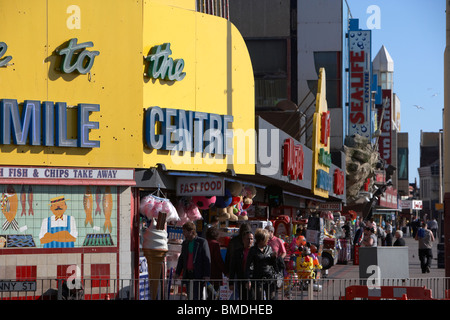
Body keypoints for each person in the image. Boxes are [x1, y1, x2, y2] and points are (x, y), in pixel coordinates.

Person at [175, 222, 211, 299]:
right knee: (190, 295)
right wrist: (177, 272)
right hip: (188, 274)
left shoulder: (202, 242)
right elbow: (181, 259)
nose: (183, 233)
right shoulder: (185, 243)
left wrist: (206, 275)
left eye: (185, 231)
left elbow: (206, 259)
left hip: (198, 274)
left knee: (197, 296)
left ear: (191, 231)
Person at [245, 228, 278, 300]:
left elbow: (273, 264)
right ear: (261, 240)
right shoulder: (253, 250)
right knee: (259, 297)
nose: (268, 241)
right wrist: (248, 280)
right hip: (258, 278)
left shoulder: (269, 248)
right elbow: (248, 265)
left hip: (269, 277)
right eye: (266, 239)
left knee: (272, 297)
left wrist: (273, 258)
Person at [229, 230, 254, 300]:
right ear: (243, 240)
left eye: (251, 239)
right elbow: (233, 267)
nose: (249, 241)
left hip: (253, 280)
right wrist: (230, 283)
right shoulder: (238, 252)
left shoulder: (255, 252)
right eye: (248, 239)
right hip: (241, 280)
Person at [205, 226, 225, 299]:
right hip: (215, 274)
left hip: (206, 274)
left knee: (209, 293)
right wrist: (225, 271)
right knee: (215, 295)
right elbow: (218, 259)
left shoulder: (205, 242)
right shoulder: (215, 244)